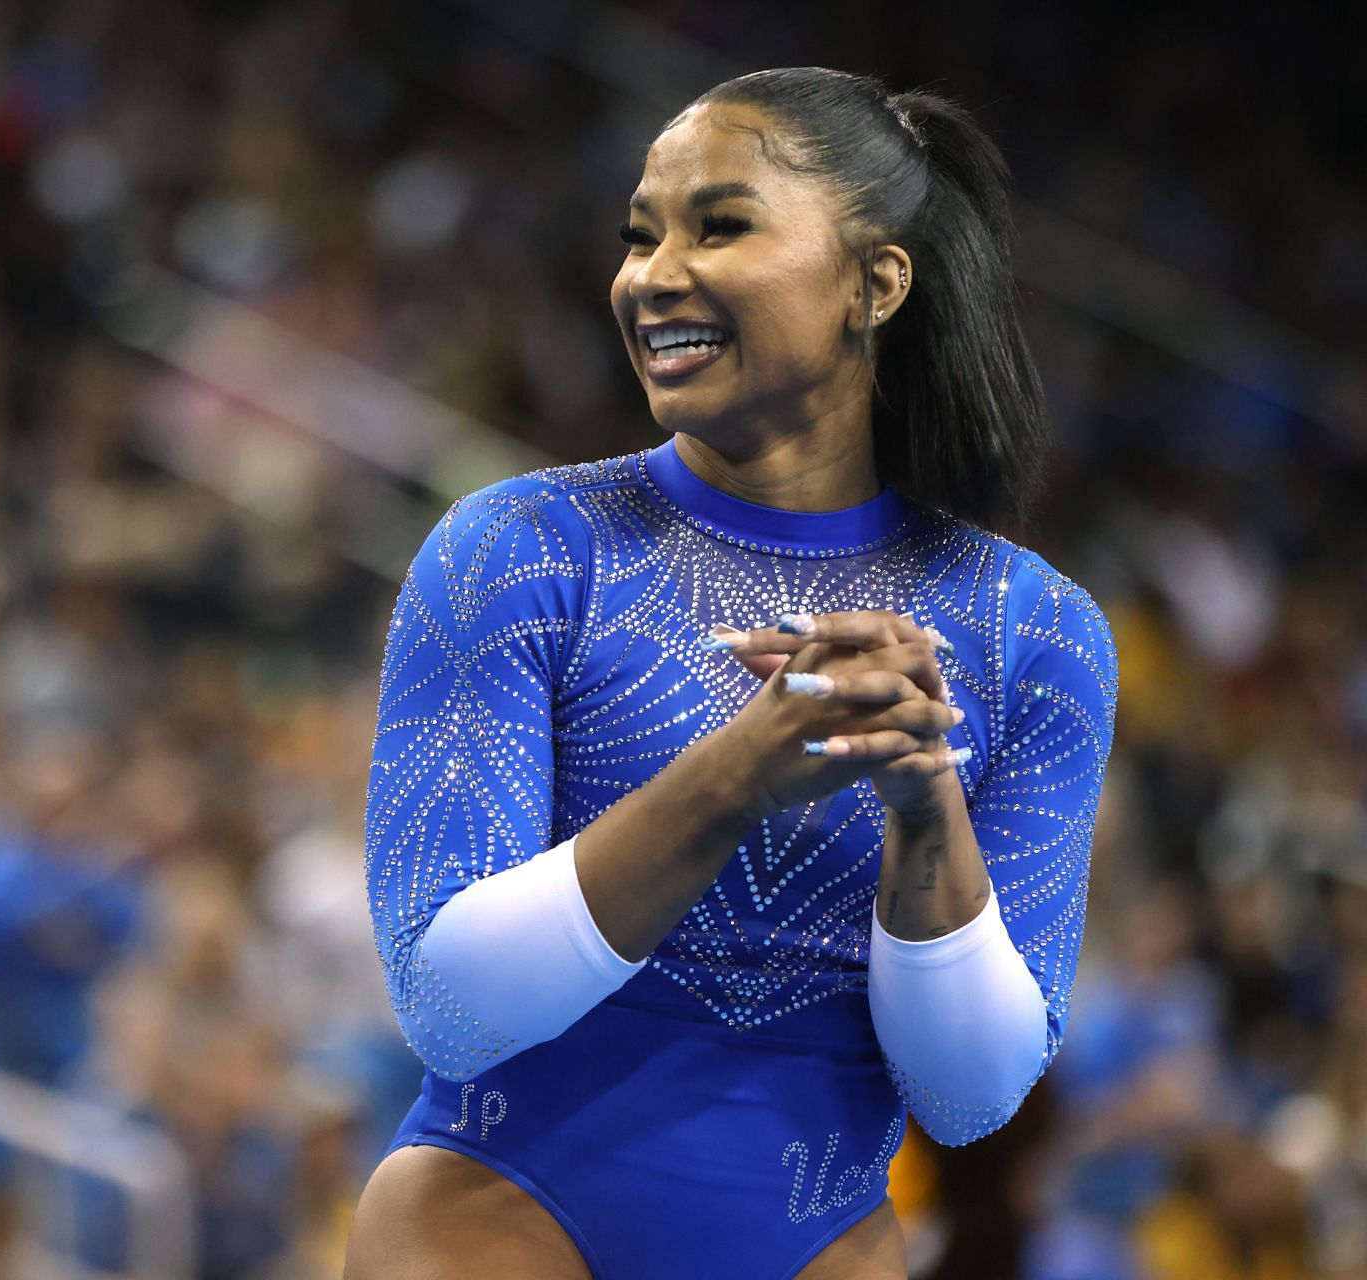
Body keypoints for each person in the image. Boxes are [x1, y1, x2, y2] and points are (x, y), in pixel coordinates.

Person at [346, 68, 1120, 1280]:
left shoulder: (1035, 633)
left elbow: (970, 1093)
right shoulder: (520, 548)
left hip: (820, 1243)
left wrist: (926, 807)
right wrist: (733, 779)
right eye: (640, 235)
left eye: (719, 225)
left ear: (876, 279)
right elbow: (449, 1002)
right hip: (499, 1206)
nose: (652, 276)